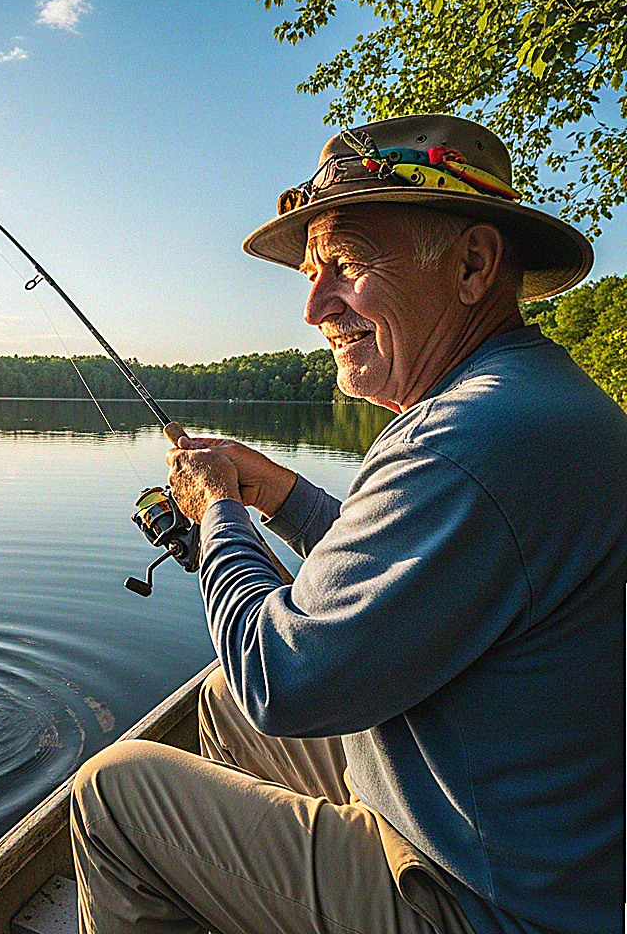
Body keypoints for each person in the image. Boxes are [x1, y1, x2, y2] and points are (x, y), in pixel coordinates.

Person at [71, 115, 626, 934]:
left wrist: (217, 507)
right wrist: (280, 496)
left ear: (473, 264)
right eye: (309, 273)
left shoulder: (462, 440)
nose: (312, 307)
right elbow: (422, 565)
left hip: (491, 900)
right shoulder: (527, 398)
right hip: (514, 829)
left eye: (347, 267)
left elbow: (280, 676)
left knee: (114, 794)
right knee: (220, 702)